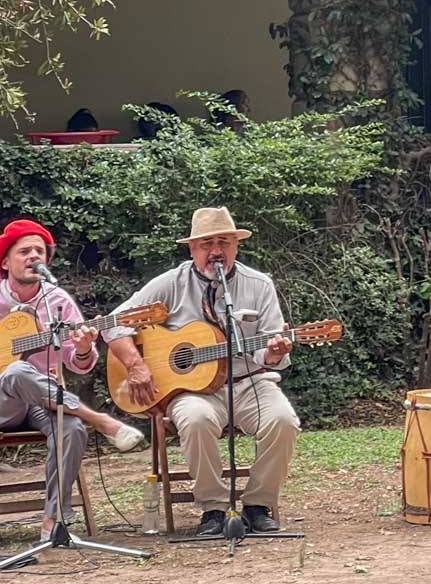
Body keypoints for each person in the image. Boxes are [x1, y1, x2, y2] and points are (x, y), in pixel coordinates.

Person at [103, 207, 300, 536]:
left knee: (284, 422)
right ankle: (214, 508)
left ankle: (257, 505)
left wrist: (274, 351)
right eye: (207, 244)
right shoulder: (170, 283)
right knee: (195, 420)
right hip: (192, 391)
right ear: (192, 249)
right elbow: (113, 323)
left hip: (250, 381)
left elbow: (267, 349)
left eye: (224, 242)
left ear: (236, 246)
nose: (216, 251)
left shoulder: (259, 284)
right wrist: (136, 365)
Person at [0, 219, 144, 540]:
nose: (33, 256)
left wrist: (81, 349)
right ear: (5, 261)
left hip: (43, 400)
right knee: (16, 372)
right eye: (24, 251)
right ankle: (102, 421)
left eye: (39, 251)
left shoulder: (58, 301)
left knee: (72, 428)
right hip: (3, 402)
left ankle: (54, 522)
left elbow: (79, 366)